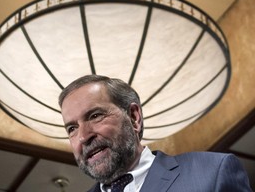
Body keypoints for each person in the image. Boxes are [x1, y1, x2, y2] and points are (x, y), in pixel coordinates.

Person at [58, 74, 252, 192]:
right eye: (72, 128)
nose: (83, 136)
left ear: (134, 117)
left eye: (95, 115)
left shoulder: (212, 172)